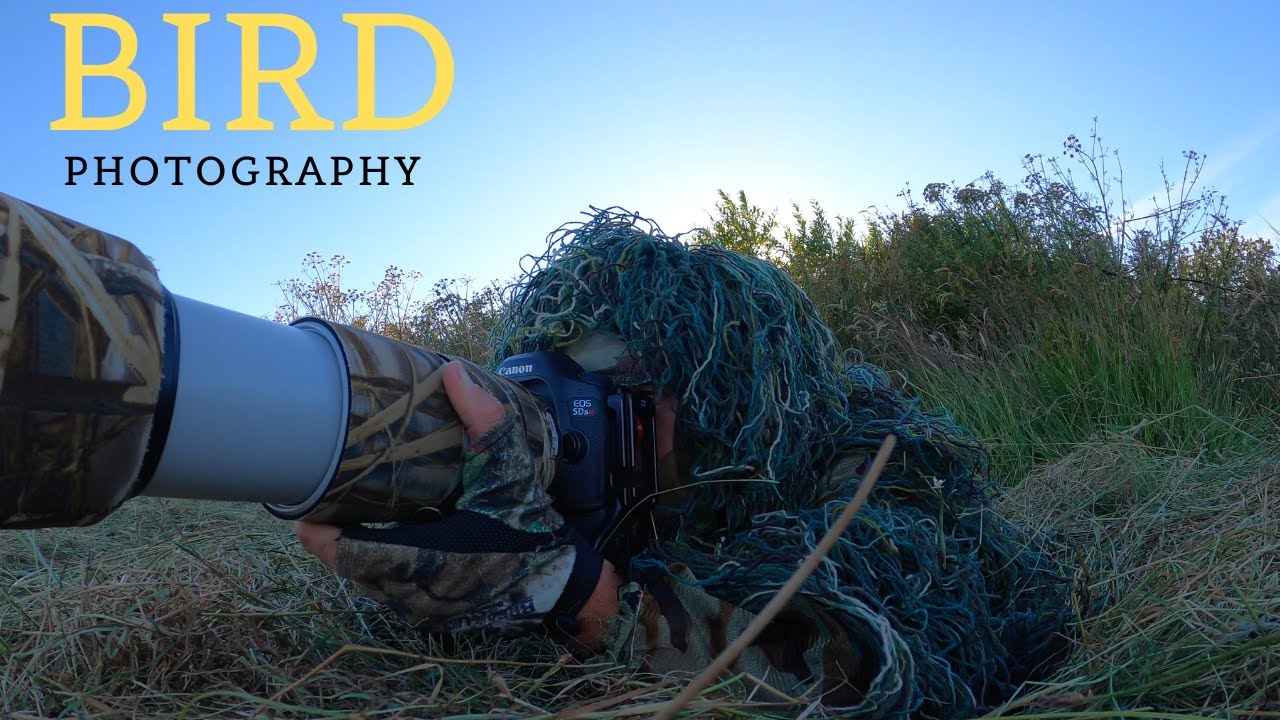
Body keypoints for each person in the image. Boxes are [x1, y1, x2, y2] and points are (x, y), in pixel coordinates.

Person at [295, 208, 1078, 718]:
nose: (585, 427)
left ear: (727, 406)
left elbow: (882, 674)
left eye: (618, 400)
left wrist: (577, 593)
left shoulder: (870, 467)